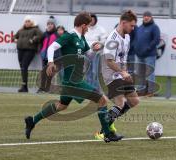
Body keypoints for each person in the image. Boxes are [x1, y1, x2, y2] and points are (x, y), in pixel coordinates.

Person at [24, 12, 123, 143]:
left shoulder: (81, 38)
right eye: (87, 26)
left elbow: (88, 55)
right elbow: (52, 47)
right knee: (102, 100)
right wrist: (50, 62)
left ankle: (32, 120)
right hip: (73, 82)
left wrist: (95, 49)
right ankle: (107, 133)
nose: (88, 28)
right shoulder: (69, 36)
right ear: (82, 25)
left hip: (71, 81)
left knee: (61, 106)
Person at [95, 10, 140, 140]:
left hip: (121, 73)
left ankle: (107, 126)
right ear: (123, 23)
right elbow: (109, 61)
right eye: (131, 25)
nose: (133, 28)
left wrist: (125, 72)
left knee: (134, 101)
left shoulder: (127, 37)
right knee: (120, 103)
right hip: (111, 74)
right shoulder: (112, 39)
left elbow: (123, 58)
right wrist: (122, 72)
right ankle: (104, 132)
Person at [14, 15, 43, 92]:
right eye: (26, 21)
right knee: (22, 67)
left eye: (28, 21)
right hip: (20, 50)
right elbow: (15, 36)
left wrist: (33, 40)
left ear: (32, 22)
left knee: (24, 66)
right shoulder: (21, 30)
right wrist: (15, 39)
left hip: (30, 50)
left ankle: (24, 86)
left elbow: (41, 35)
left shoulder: (35, 29)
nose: (27, 23)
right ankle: (24, 86)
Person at [134, 11, 160, 97]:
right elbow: (136, 40)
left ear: (151, 17)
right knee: (140, 73)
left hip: (150, 54)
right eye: (144, 16)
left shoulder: (154, 27)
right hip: (139, 54)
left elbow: (156, 40)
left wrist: (148, 48)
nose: (146, 17)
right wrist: (136, 48)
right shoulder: (140, 27)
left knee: (150, 72)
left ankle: (150, 91)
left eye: (148, 16)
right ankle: (141, 90)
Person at [85, 13, 107, 90]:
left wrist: (100, 44)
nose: (91, 21)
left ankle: (97, 89)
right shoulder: (85, 28)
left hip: (96, 54)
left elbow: (104, 40)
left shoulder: (100, 29)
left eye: (92, 19)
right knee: (87, 72)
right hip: (86, 54)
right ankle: (89, 89)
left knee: (95, 72)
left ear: (95, 20)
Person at [37, 16, 58, 93]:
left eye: (51, 24)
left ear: (54, 25)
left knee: (50, 73)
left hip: (52, 57)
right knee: (43, 73)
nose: (49, 25)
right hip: (44, 56)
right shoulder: (44, 34)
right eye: (48, 24)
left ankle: (48, 88)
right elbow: (40, 43)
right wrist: (41, 51)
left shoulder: (56, 34)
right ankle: (42, 88)